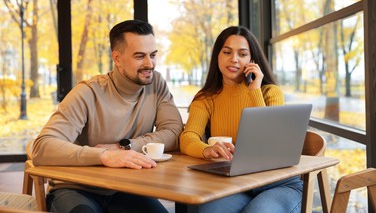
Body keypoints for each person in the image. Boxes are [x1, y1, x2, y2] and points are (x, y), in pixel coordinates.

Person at [32, 19, 184, 213]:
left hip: (126, 188)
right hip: (75, 187)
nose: (149, 64)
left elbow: (174, 132)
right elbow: (43, 147)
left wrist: (125, 147)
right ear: (117, 58)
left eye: (153, 55)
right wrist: (104, 156)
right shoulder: (88, 92)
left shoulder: (156, 84)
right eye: (139, 56)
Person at [180, 26, 303, 212]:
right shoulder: (206, 98)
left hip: (278, 183)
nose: (234, 59)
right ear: (218, 56)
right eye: (227, 52)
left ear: (252, 60)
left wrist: (254, 90)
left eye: (242, 54)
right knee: (207, 210)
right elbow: (188, 137)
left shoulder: (269, 92)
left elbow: (271, 141)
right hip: (235, 183)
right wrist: (207, 150)